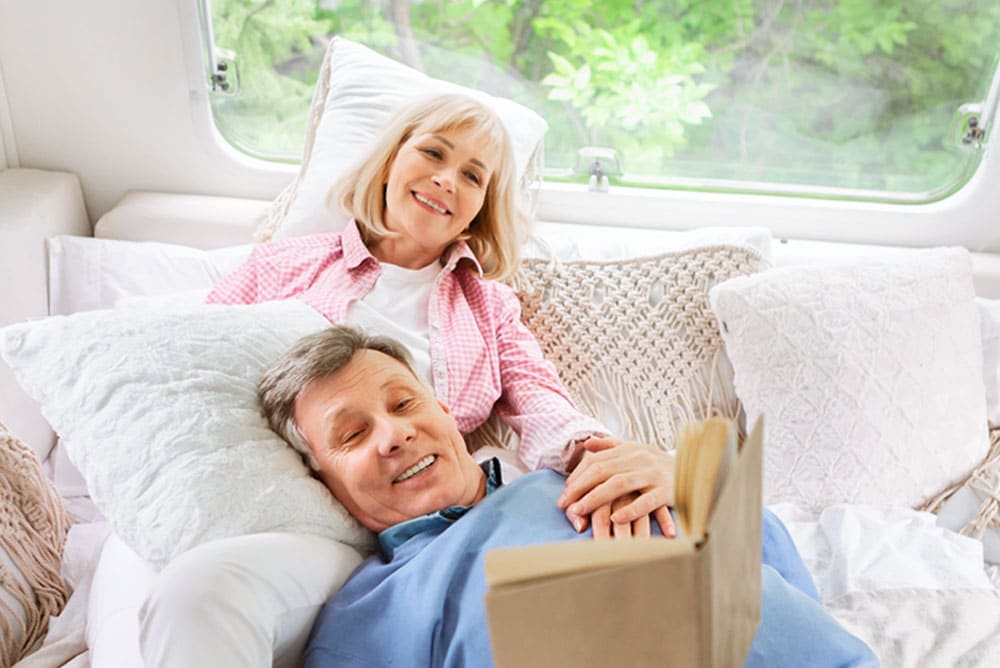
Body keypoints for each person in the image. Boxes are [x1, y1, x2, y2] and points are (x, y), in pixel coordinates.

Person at [139, 93, 672, 667]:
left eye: (472, 175)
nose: (447, 180)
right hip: (316, 526)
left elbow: (540, 400)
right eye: (433, 153)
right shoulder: (284, 267)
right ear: (391, 161)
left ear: (479, 209)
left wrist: (612, 459)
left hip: (429, 533)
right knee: (198, 592)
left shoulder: (487, 305)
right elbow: (192, 364)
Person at [257, 325, 879, 667]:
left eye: (404, 403)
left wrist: (700, 488)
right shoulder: (366, 615)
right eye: (354, 434)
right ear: (323, 480)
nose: (395, 434)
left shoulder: (581, 471)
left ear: (447, 412)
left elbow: (790, 586)